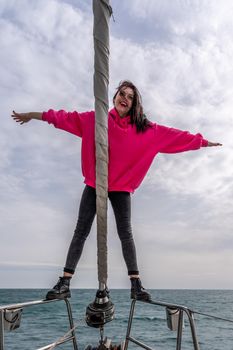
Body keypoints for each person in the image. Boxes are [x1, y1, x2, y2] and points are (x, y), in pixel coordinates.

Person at [12, 80, 222, 301]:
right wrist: (31, 115)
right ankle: (64, 283)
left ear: (134, 104)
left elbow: (176, 136)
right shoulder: (95, 120)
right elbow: (60, 117)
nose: (125, 98)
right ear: (114, 98)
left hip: (121, 188)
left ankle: (136, 285)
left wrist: (203, 142)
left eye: (130, 97)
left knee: (126, 233)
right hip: (95, 184)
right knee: (80, 231)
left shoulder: (146, 130)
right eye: (122, 94)